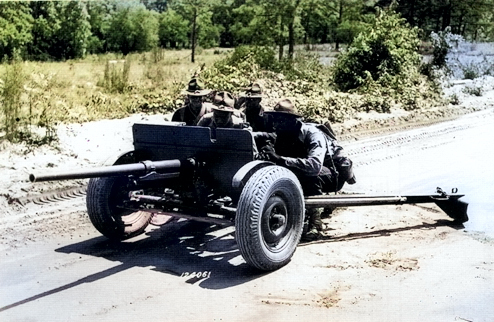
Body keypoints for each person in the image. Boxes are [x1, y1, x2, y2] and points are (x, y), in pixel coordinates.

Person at [256, 98, 356, 241]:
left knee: (307, 176)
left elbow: (314, 166)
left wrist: (279, 159)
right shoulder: (282, 132)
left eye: (281, 120)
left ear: (293, 121)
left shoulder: (312, 134)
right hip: (308, 170)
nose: (276, 123)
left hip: (332, 175)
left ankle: (315, 222)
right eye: (275, 119)